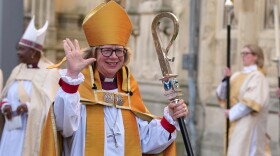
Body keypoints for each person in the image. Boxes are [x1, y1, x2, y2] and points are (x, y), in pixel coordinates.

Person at [53, 1, 188, 155]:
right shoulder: (77, 89)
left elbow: (145, 141)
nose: (114, 56)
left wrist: (170, 117)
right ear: (94, 53)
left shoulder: (128, 90)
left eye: (119, 50)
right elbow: (64, 126)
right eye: (107, 50)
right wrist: (71, 77)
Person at [0, 16, 60, 156]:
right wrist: (5, 105)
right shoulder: (18, 70)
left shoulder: (50, 72)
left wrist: (28, 107)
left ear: (33, 51)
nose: (18, 52)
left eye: (22, 49)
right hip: (10, 131)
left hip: (31, 131)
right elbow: (5, 95)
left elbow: (52, 106)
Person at [216, 44, 271, 156]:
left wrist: (231, 112)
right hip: (234, 123)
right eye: (242, 53)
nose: (243, 56)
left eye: (246, 53)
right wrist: (226, 79)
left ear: (256, 56)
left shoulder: (258, 76)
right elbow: (222, 95)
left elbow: (251, 103)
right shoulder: (237, 75)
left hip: (249, 122)